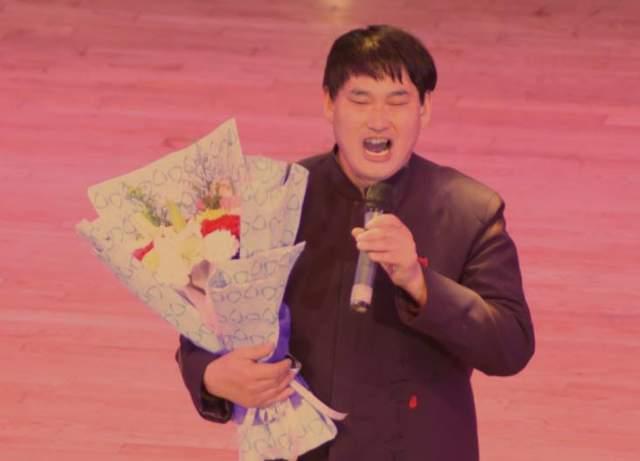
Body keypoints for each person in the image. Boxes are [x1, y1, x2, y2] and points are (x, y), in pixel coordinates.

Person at [176, 24, 535, 461]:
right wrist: (213, 377)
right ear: (329, 103)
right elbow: (204, 325)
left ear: (425, 108)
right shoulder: (273, 200)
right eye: (360, 100)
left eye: (397, 101)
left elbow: (510, 346)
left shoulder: (470, 210)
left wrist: (419, 282)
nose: (378, 119)